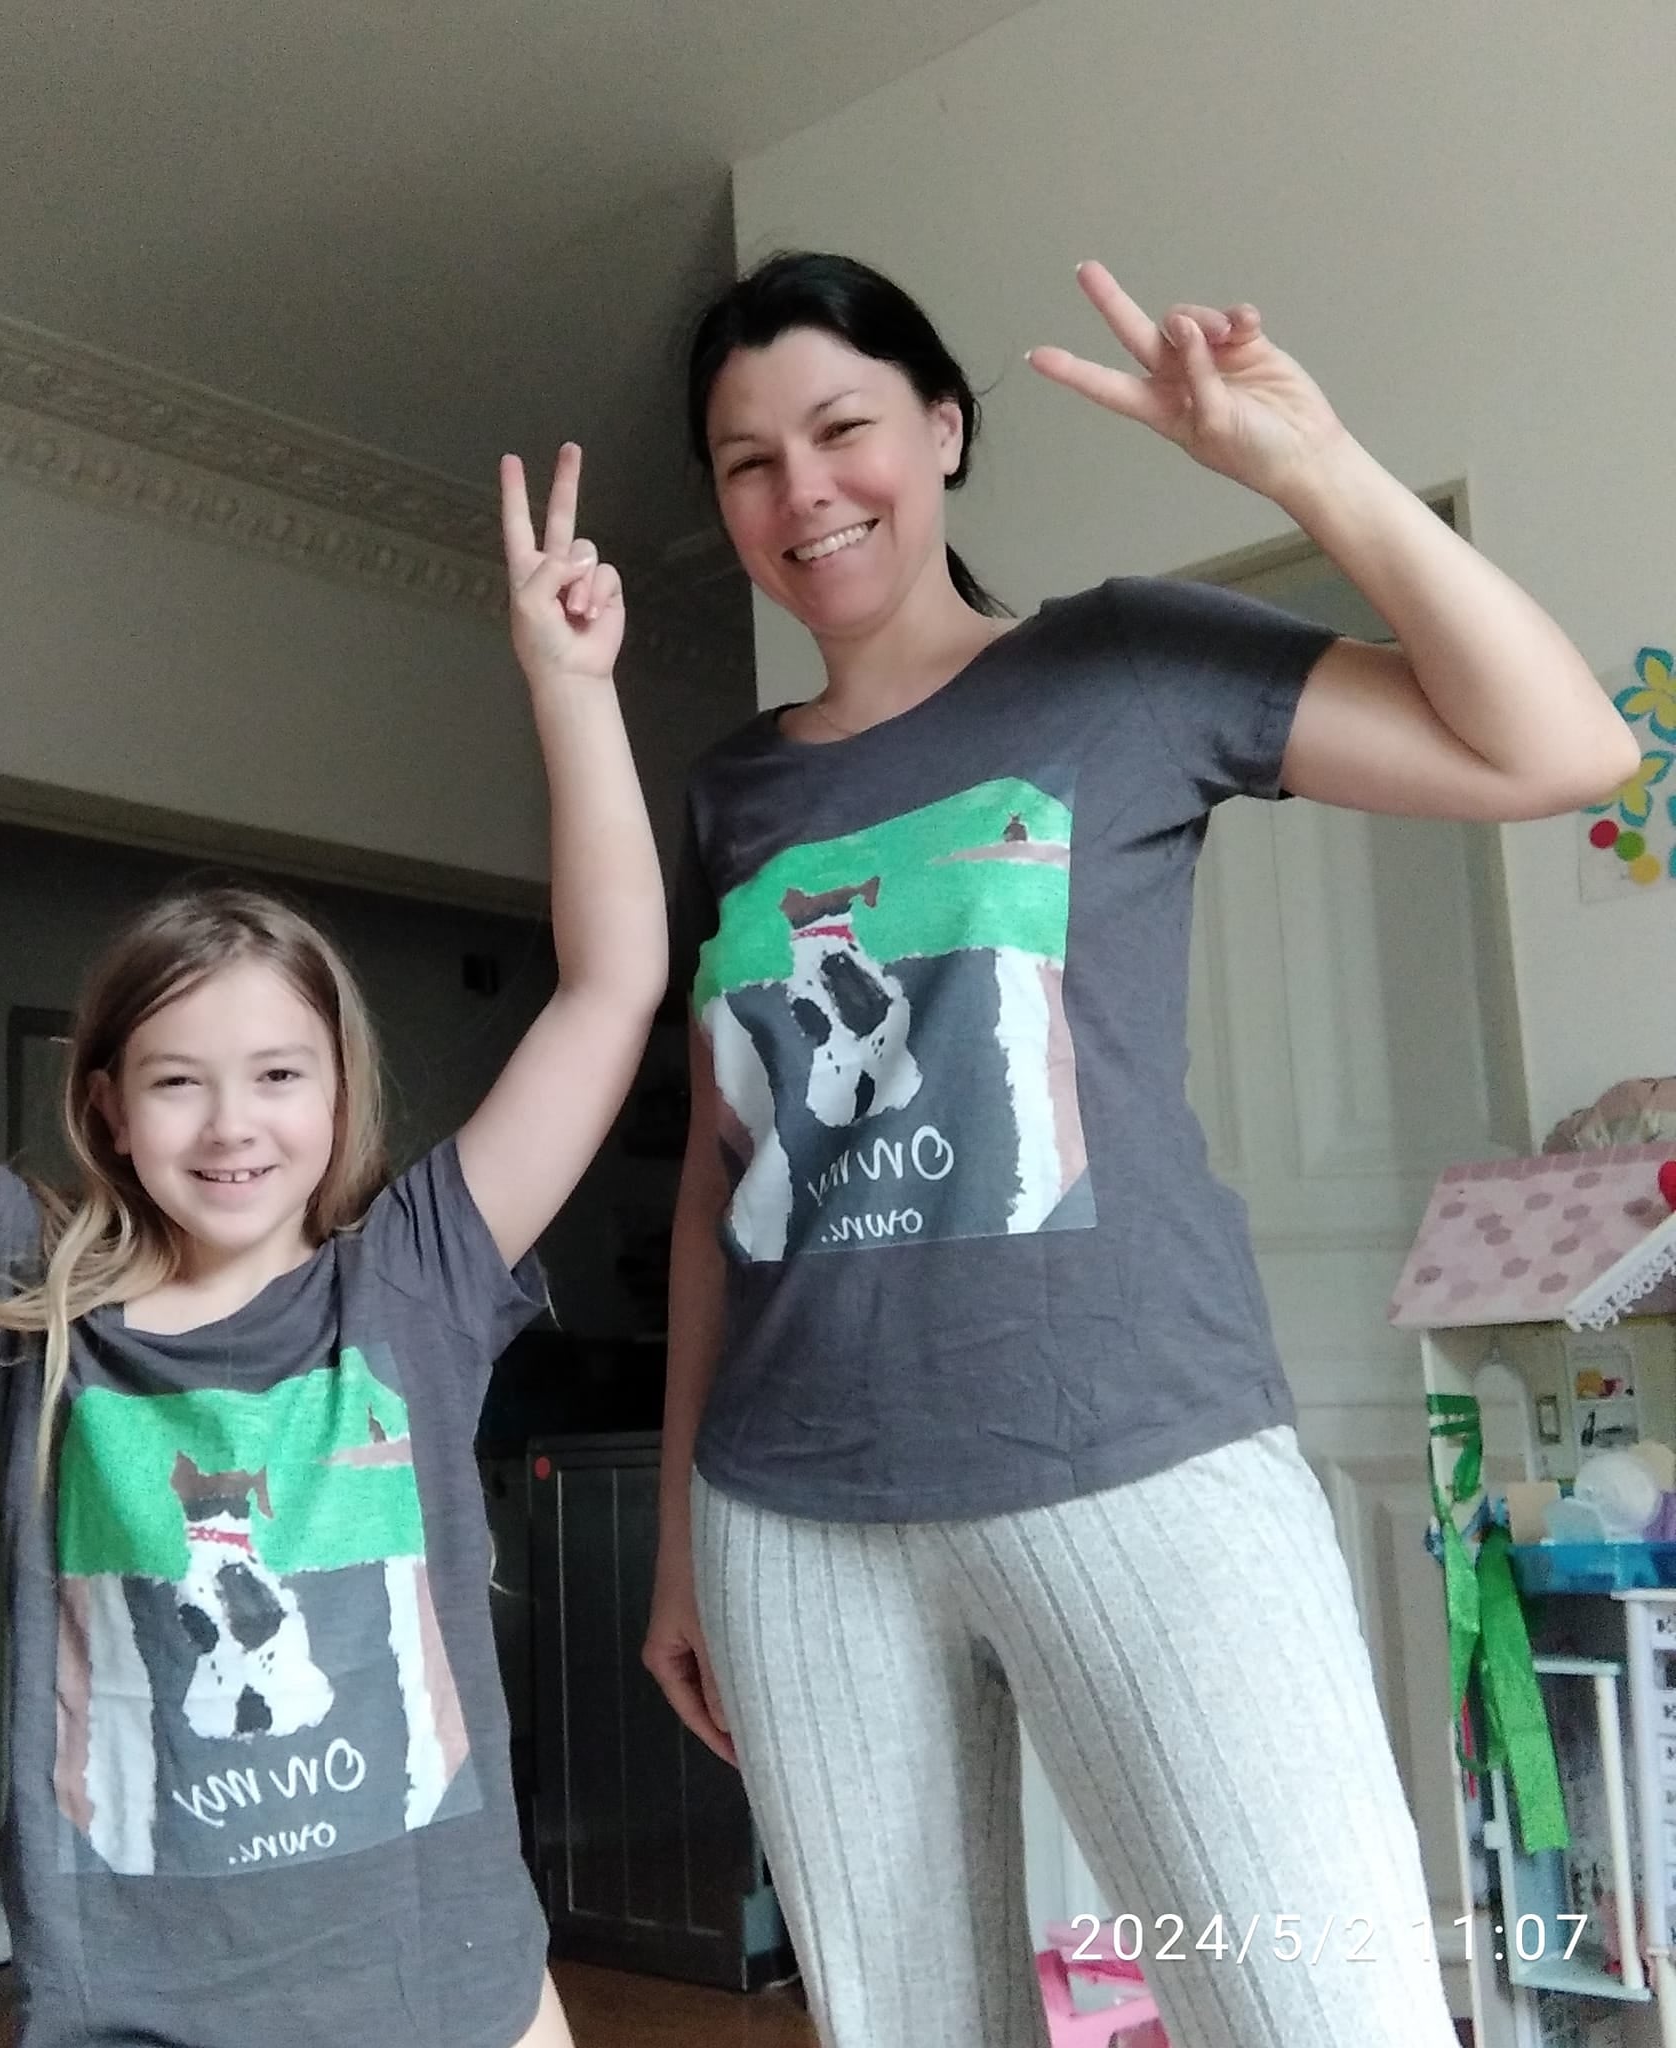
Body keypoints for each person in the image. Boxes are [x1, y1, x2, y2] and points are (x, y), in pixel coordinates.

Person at [642, 250, 1638, 2048]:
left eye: (844, 429)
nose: (804, 493)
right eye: (748, 462)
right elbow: (728, 1180)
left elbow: (1563, 748)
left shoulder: (1117, 665)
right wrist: (675, 1549)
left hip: (1133, 1449)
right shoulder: (731, 796)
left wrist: (1310, 472)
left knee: (1324, 2010)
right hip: (793, 1512)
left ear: (944, 431)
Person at [0, 442, 664, 2047]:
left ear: (339, 1091)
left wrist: (572, 691)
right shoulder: (44, 1304)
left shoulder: (416, 1278)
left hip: (455, 1997)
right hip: (143, 2013)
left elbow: (612, 985)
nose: (234, 1126)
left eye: (280, 1076)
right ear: (106, 1103)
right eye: (178, 1081)